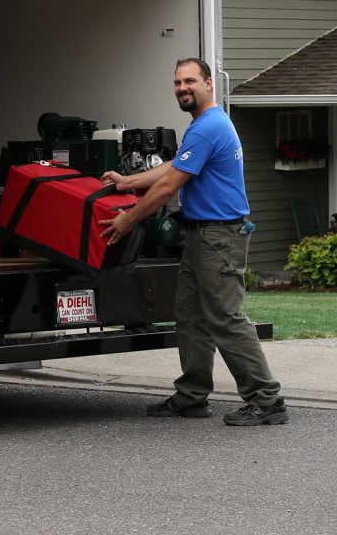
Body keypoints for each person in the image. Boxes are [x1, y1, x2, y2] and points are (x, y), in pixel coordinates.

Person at [98, 57, 288, 426]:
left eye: (189, 81)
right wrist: (128, 182)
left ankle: (266, 399)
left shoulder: (207, 127)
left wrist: (128, 219)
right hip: (201, 235)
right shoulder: (205, 126)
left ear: (208, 84)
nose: (182, 88)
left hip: (219, 237)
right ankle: (192, 396)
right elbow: (173, 168)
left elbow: (170, 186)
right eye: (177, 83)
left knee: (225, 318)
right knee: (190, 316)